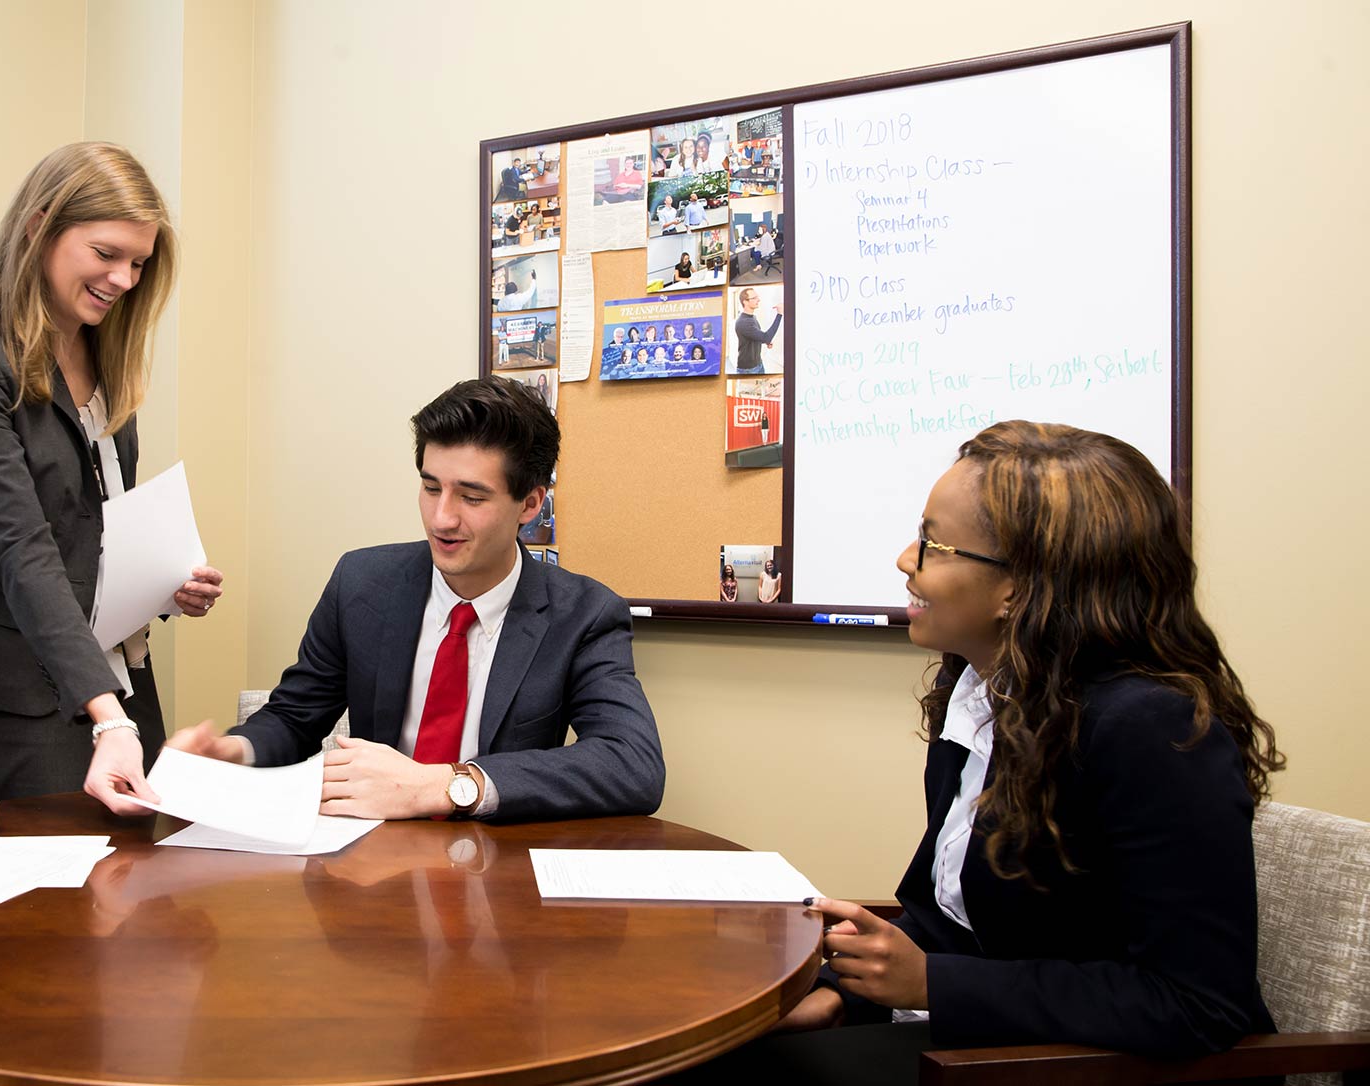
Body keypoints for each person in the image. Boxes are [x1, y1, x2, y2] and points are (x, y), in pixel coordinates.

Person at [720, 421, 1283, 1084]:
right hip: (991, 1042)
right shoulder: (983, 694)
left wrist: (932, 984)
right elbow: (948, 917)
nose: (907, 558)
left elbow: (1196, 1006)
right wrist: (846, 992)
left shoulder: (1152, 728)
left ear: (1022, 586)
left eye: (933, 542)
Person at [165, 379, 663, 822]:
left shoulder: (584, 614)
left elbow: (631, 764)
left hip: (496, 876)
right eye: (430, 488)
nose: (441, 519)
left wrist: (448, 785)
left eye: (471, 497)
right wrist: (235, 751)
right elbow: (294, 719)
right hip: (368, 867)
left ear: (530, 504)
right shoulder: (362, 582)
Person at [0, 142, 224, 804]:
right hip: (19, 672)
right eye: (107, 254)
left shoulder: (105, 356)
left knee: (137, 862)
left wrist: (165, 584)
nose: (124, 279)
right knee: (59, 883)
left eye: (139, 263)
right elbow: (21, 545)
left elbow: (93, 524)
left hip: (115, 663)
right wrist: (106, 714)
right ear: (40, 227)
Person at [734, 287, 783, 373]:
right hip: (748, 370)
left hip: (758, 364)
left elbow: (754, 336)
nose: (758, 300)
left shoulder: (752, 317)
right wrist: (779, 314)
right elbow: (766, 337)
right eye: (754, 298)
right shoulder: (744, 322)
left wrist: (764, 341)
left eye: (757, 297)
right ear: (745, 302)